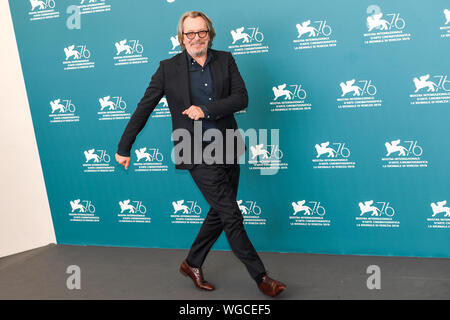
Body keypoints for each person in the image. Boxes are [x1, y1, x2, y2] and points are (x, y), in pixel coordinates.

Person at [115, 11, 286, 297]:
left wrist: (205, 110)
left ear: (210, 33)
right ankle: (261, 277)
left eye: (201, 32)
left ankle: (191, 263)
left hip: (228, 145)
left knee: (219, 212)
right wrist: (124, 146)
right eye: (189, 34)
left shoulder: (226, 60)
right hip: (192, 148)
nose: (196, 38)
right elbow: (144, 106)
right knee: (231, 215)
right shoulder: (167, 69)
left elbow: (241, 98)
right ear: (181, 38)